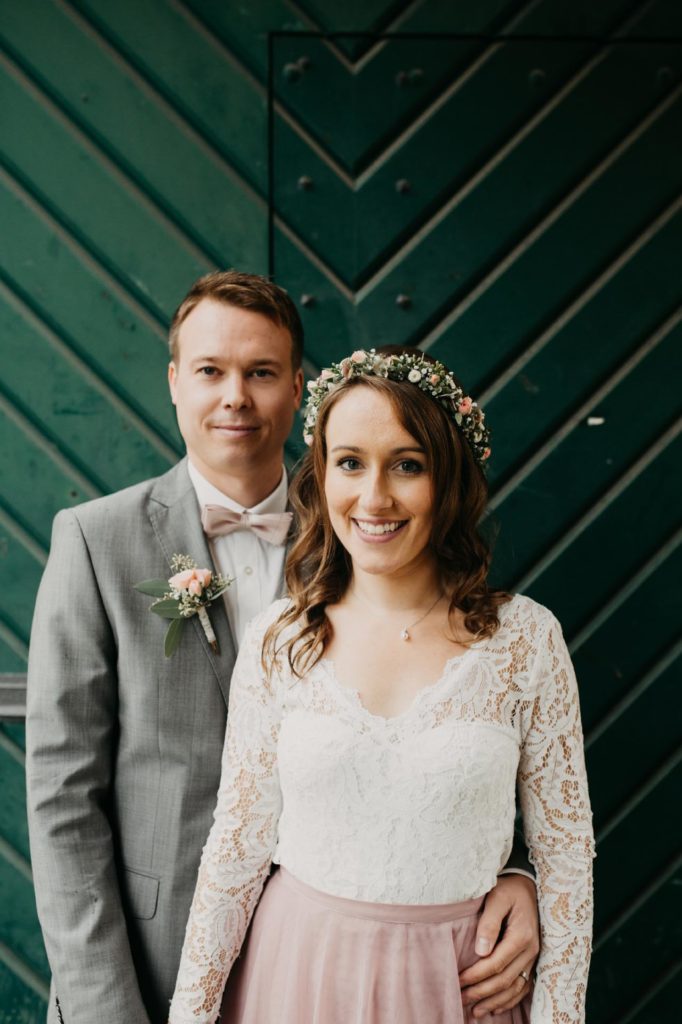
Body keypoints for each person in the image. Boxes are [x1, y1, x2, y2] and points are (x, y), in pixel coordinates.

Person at [25, 274, 539, 1024]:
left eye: (261, 373)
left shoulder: (374, 527)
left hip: (336, 968)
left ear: (299, 390)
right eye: (210, 371)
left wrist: (518, 871)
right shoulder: (95, 543)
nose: (235, 396)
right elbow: (63, 800)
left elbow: (469, 719)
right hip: (152, 958)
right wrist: (106, 1005)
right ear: (174, 381)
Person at [169, 346, 594, 1024]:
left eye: (406, 465)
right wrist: (190, 1016)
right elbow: (238, 847)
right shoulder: (282, 639)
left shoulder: (526, 640)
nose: (374, 498)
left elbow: (567, 856)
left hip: (461, 983)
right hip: (301, 975)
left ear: (446, 479)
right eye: (350, 463)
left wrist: (558, 1015)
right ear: (322, 474)